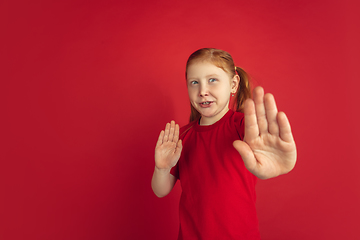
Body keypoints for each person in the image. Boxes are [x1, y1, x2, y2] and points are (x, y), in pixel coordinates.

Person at [151, 48, 297, 239]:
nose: (203, 91)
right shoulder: (181, 137)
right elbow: (161, 191)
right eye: (194, 83)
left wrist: (281, 158)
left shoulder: (243, 125)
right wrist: (161, 168)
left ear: (233, 84)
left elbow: (262, 142)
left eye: (212, 80)